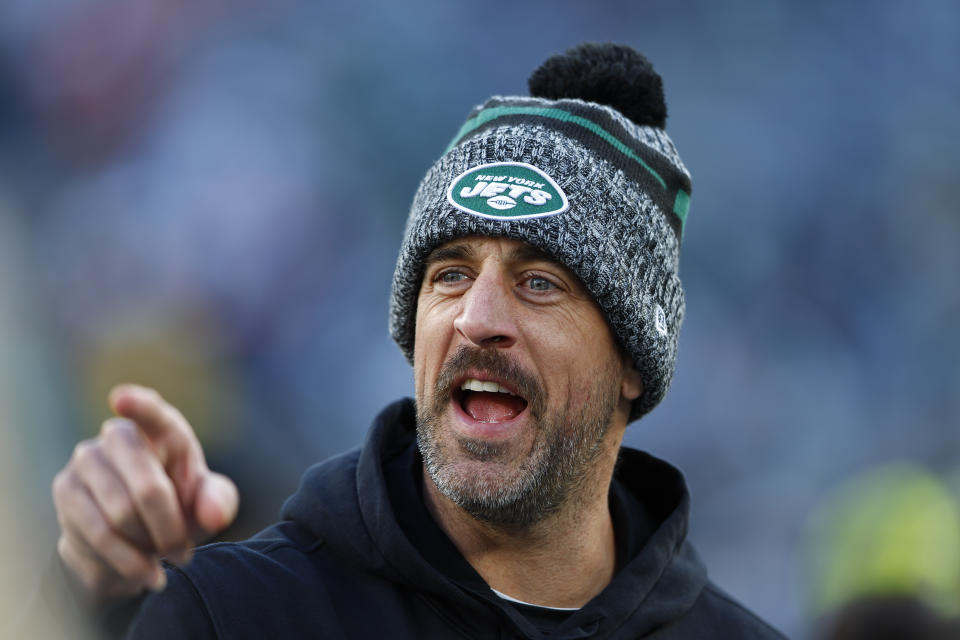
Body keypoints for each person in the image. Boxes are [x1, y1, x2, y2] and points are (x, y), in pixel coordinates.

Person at [35, 43, 787, 639]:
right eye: (451, 274)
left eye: (538, 283)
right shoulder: (232, 617)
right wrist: (99, 597)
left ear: (631, 359)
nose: (476, 317)